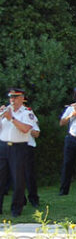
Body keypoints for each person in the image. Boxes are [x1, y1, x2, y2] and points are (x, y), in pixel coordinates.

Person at [0, 88, 35, 217]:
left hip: (18, 148)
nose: (12, 100)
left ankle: (16, 209)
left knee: (18, 179)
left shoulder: (26, 113)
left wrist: (11, 118)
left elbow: (26, 129)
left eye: (15, 97)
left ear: (21, 98)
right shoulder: (6, 111)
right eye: (10, 97)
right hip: (3, 146)